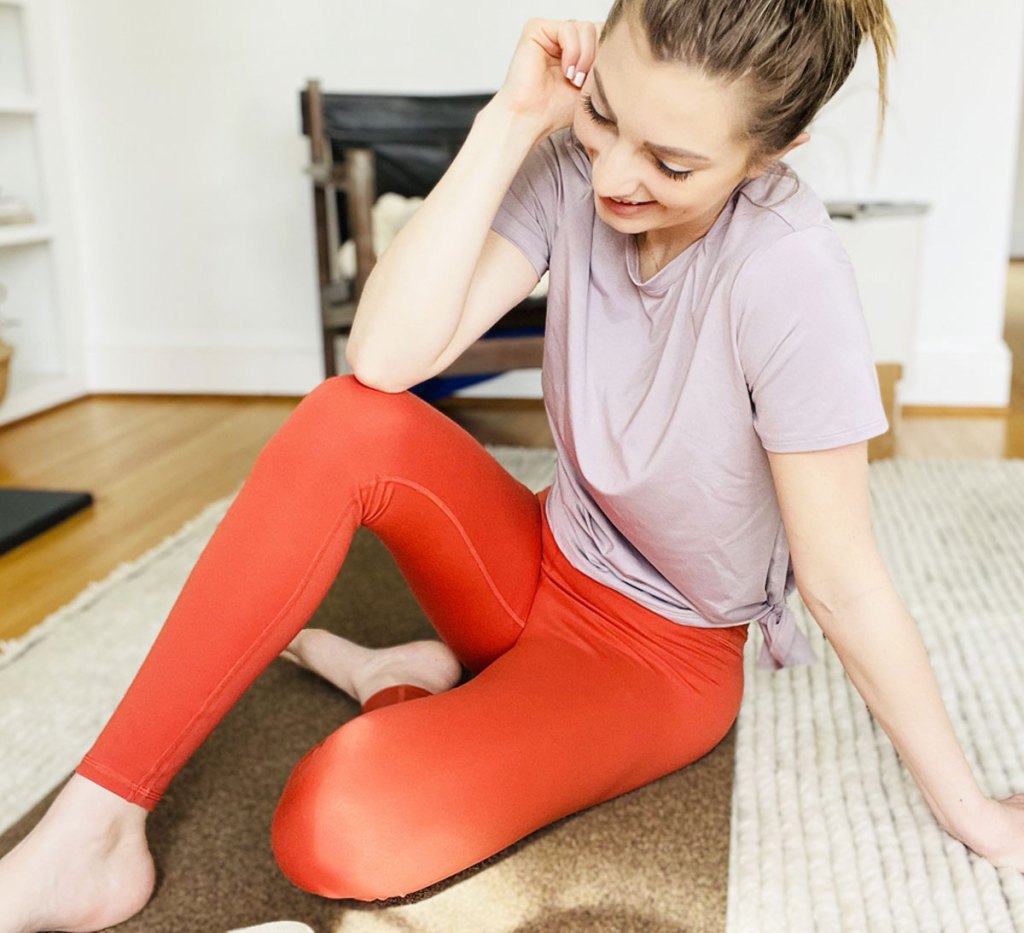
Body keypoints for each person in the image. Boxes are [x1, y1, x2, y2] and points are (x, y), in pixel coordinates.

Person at [3, 2, 1024, 929]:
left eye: (672, 165)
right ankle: (92, 831)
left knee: (335, 824)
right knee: (344, 418)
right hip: (535, 556)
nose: (617, 174)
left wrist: (971, 811)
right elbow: (386, 361)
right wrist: (511, 120)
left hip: (655, 656)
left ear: (771, 154)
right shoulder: (570, 164)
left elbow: (844, 586)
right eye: (606, 116)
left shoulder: (791, 277)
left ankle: (398, 684)